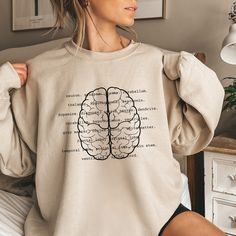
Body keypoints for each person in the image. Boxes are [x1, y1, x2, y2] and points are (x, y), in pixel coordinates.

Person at [0, 0, 226, 235]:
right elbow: (17, 164)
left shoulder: (156, 63)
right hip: (74, 225)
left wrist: (188, 70)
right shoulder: (41, 73)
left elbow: (187, 141)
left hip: (160, 214)